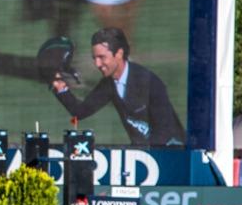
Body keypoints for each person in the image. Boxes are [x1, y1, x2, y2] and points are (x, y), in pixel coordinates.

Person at [50, 27, 185, 147]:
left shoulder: (149, 82)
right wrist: (61, 88)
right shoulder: (109, 84)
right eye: (94, 58)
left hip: (172, 151)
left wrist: (142, 154)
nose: (97, 64)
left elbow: (165, 130)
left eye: (102, 57)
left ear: (119, 54)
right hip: (143, 154)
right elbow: (80, 111)